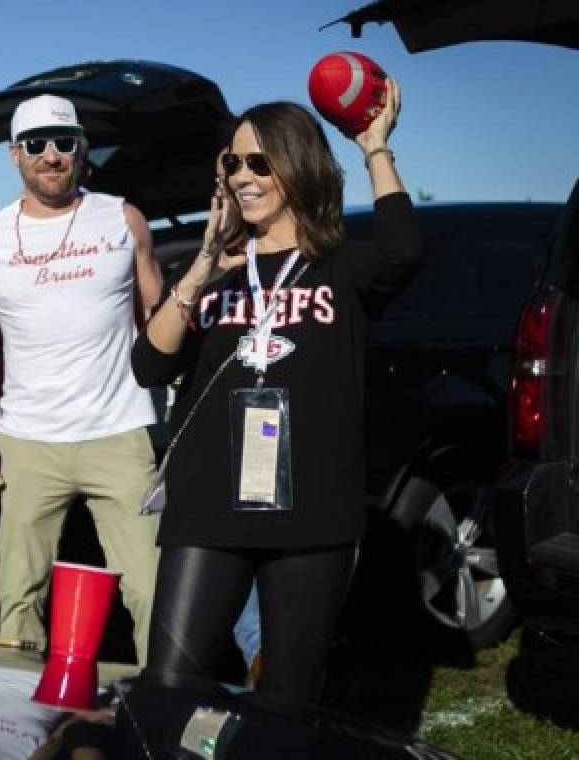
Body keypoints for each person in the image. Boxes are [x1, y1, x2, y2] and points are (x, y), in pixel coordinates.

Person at [131, 79, 420, 706]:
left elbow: (403, 253)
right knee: (169, 684)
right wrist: (205, 266)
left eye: (259, 162)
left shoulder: (339, 266)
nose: (241, 176)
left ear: (296, 166)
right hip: (207, 506)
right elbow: (150, 364)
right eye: (232, 162)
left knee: (287, 699)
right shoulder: (216, 271)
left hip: (311, 513)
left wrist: (375, 148)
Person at [0, 93, 163, 662]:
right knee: (17, 598)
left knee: (150, 590)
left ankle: (159, 721)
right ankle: (17, 734)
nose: (51, 156)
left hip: (119, 435)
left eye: (64, 142)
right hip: (28, 442)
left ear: (82, 149)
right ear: (14, 155)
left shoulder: (123, 217)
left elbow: (162, 330)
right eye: (37, 144)